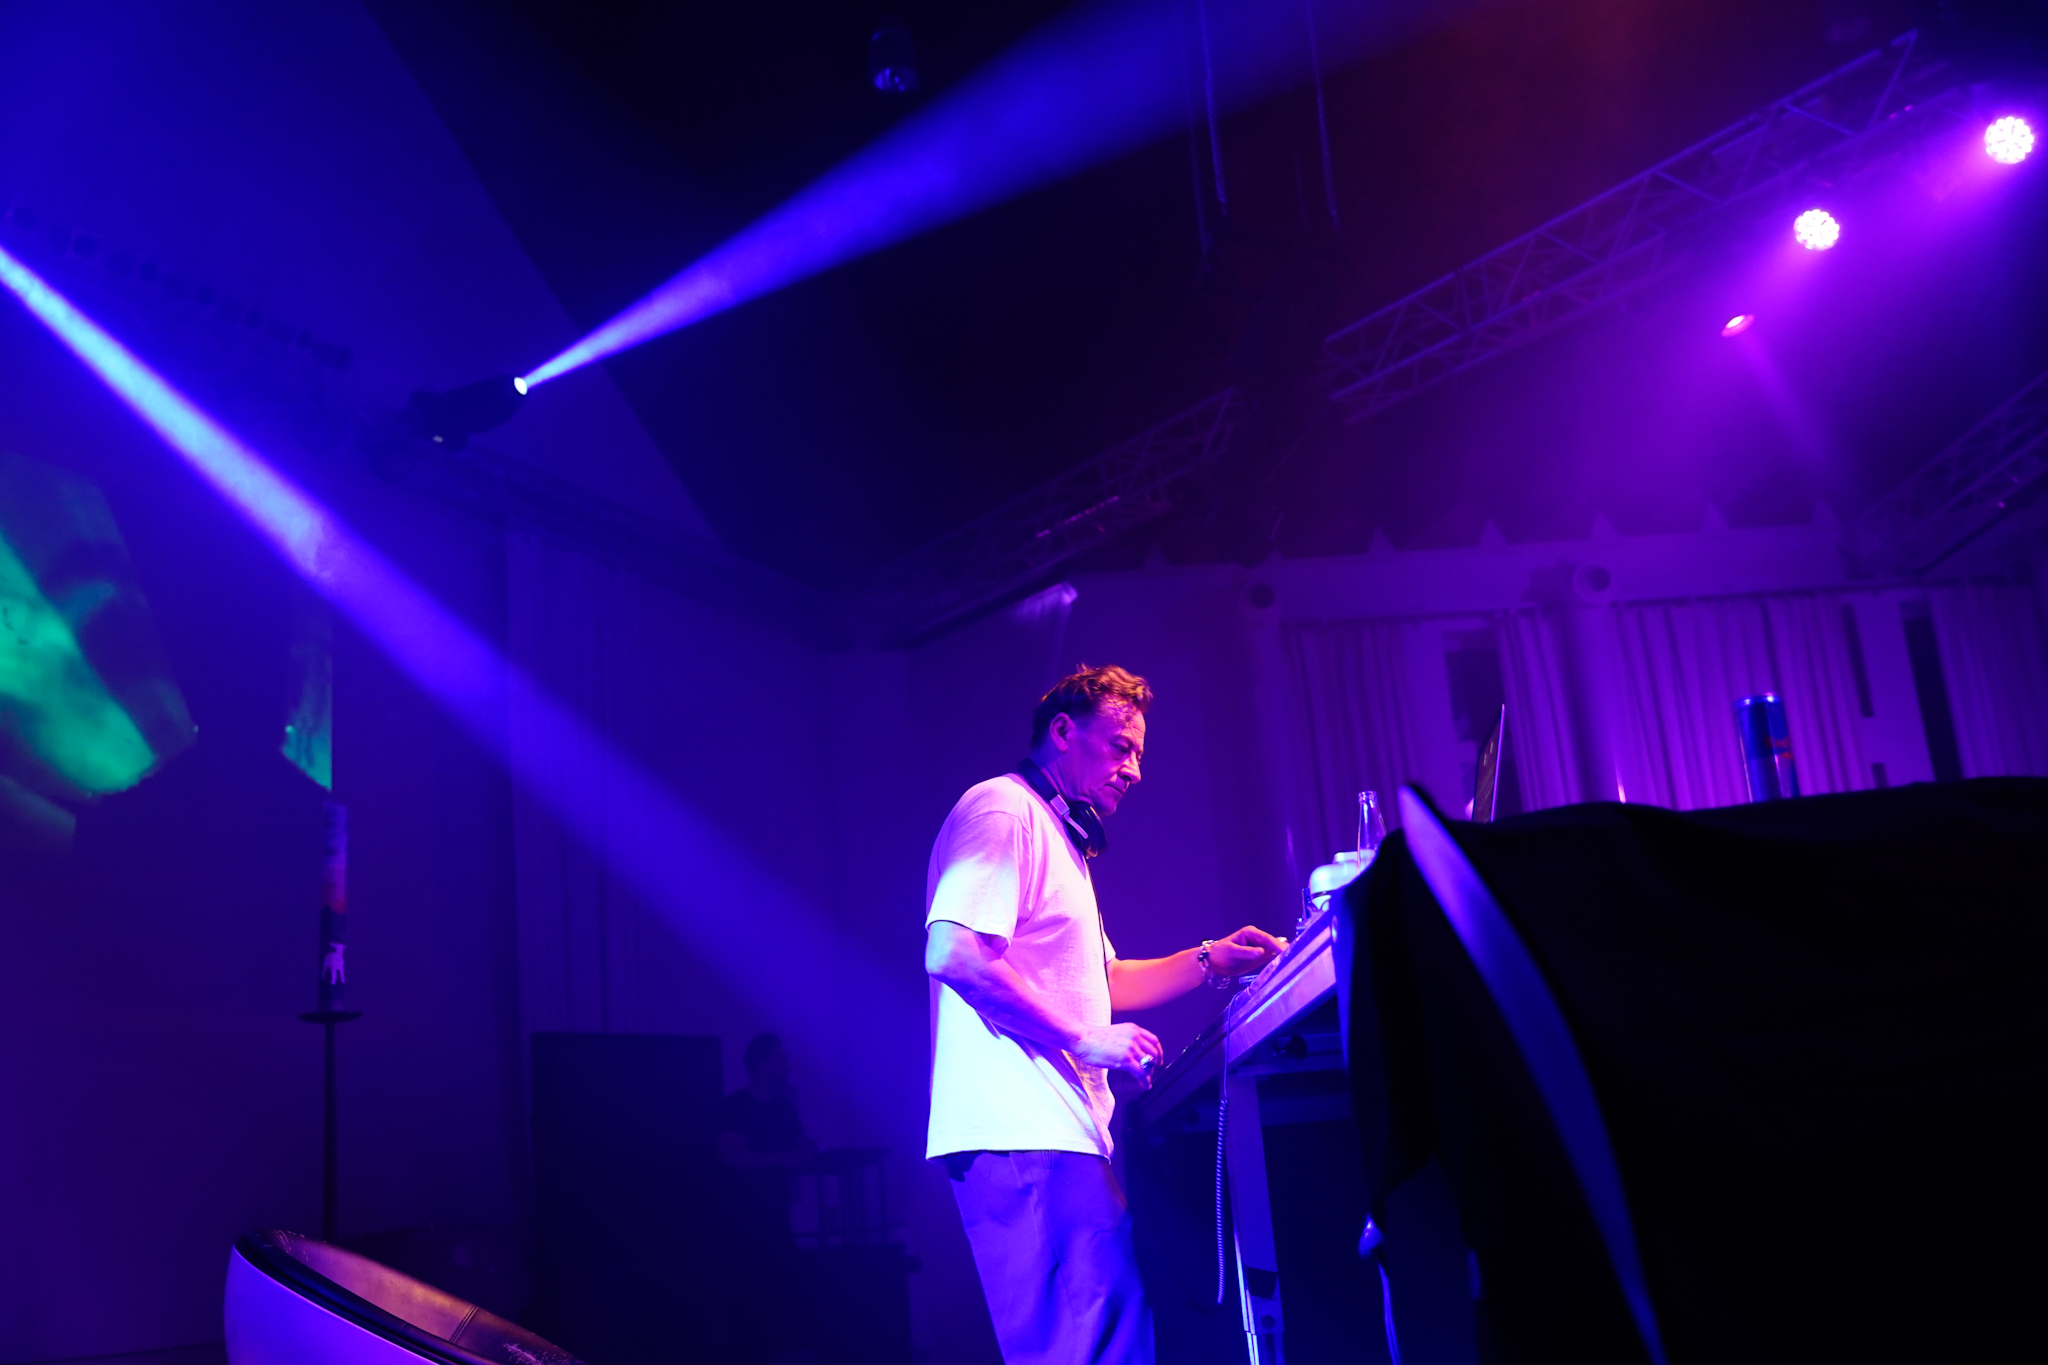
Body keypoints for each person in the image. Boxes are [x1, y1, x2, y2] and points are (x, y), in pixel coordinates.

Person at [924, 664, 1287, 1365]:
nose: (1135, 770)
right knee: (1090, 1348)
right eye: (1121, 747)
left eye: (1140, 753)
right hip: (1022, 1128)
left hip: (1053, 1132)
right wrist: (1085, 1039)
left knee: (1108, 1340)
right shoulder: (1004, 811)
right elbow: (953, 950)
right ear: (1063, 732)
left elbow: (1105, 980)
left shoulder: (1059, 837)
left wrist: (1212, 958)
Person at [715, 1033, 818, 1365]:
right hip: (743, 1222)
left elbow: (804, 1145)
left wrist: (799, 1152)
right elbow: (730, 1157)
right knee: (752, 1294)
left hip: (776, 1217)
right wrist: (783, 1159)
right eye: (779, 1059)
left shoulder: (781, 1107)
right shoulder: (736, 1107)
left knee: (780, 1289)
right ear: (760, 1064)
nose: (786, 1066)